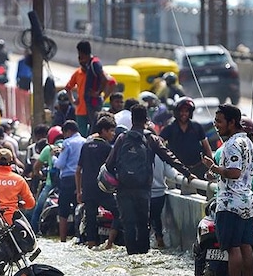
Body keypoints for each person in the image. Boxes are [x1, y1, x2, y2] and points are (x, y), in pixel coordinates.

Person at [106, 105, 194, 255]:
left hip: (124, 189)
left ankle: (131, 256)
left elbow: (109, 164)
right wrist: (187, 173)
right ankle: (142, 256)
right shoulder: (151, 138)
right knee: (142, 224)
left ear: (132, 120)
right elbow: (169, 157)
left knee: (128, 224)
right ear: (146, 120)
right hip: (143, 189)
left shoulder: (122, 138)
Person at [202, 104, 253, 276]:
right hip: (247, 203)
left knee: (233, 248)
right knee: (246, 246)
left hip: (230, 204)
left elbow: (234, 172)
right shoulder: (248, 141)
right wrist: (217, 172)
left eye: (219, 121)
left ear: (232, 122)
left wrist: (213, 167)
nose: (216, 125)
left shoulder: (232, 144)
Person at [76, 116, 120, 247]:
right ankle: (109, 243)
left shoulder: (86, 146)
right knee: (119, 212)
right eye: (111, 131)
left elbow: (78, 170)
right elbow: (114, 168)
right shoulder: (107, 148)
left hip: (87, 190)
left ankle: (91, 245)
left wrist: (79, 191)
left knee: (90, 218)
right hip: (103, 189)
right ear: (103, 131)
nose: (113, 134)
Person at [64, 40, 109, 136]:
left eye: (81, 57)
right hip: (81, 110)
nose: (81, 61)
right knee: (83, 135)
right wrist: (73, 101)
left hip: (92, 106)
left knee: (94, 132)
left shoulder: (94, 66)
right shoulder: (78, 73)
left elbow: (108, 81)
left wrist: (98, 93)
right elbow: (68, 87)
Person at [159, 96, 213, 178]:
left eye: (186, 111)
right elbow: (159, 142)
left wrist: (211, 167)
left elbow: (206, 146)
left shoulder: (196, 127)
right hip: (178, 170)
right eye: (181, 111)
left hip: (198, 167)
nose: (184, 114)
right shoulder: (170, 128)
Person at [0, 148, 35, 224]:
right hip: (11, 222)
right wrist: (20, 205)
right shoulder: (19, 180)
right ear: (11, 162)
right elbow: (31, 203)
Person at [53, 120, 85, 242]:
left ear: (68, 131)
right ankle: (80, 237)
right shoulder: (85, 141)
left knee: (63, 210)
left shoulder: (67, 143)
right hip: (82, 178)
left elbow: (60, 164)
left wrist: (53, 157)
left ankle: (62, 240)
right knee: (80, 208)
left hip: (67, 179)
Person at [30, 126, 63, 234]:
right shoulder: (69, 145)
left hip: (51, 184)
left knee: (38, 209)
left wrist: (39, 174)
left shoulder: (49, 148)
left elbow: (36, 168)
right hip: (68, 184)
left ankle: (34, 232)